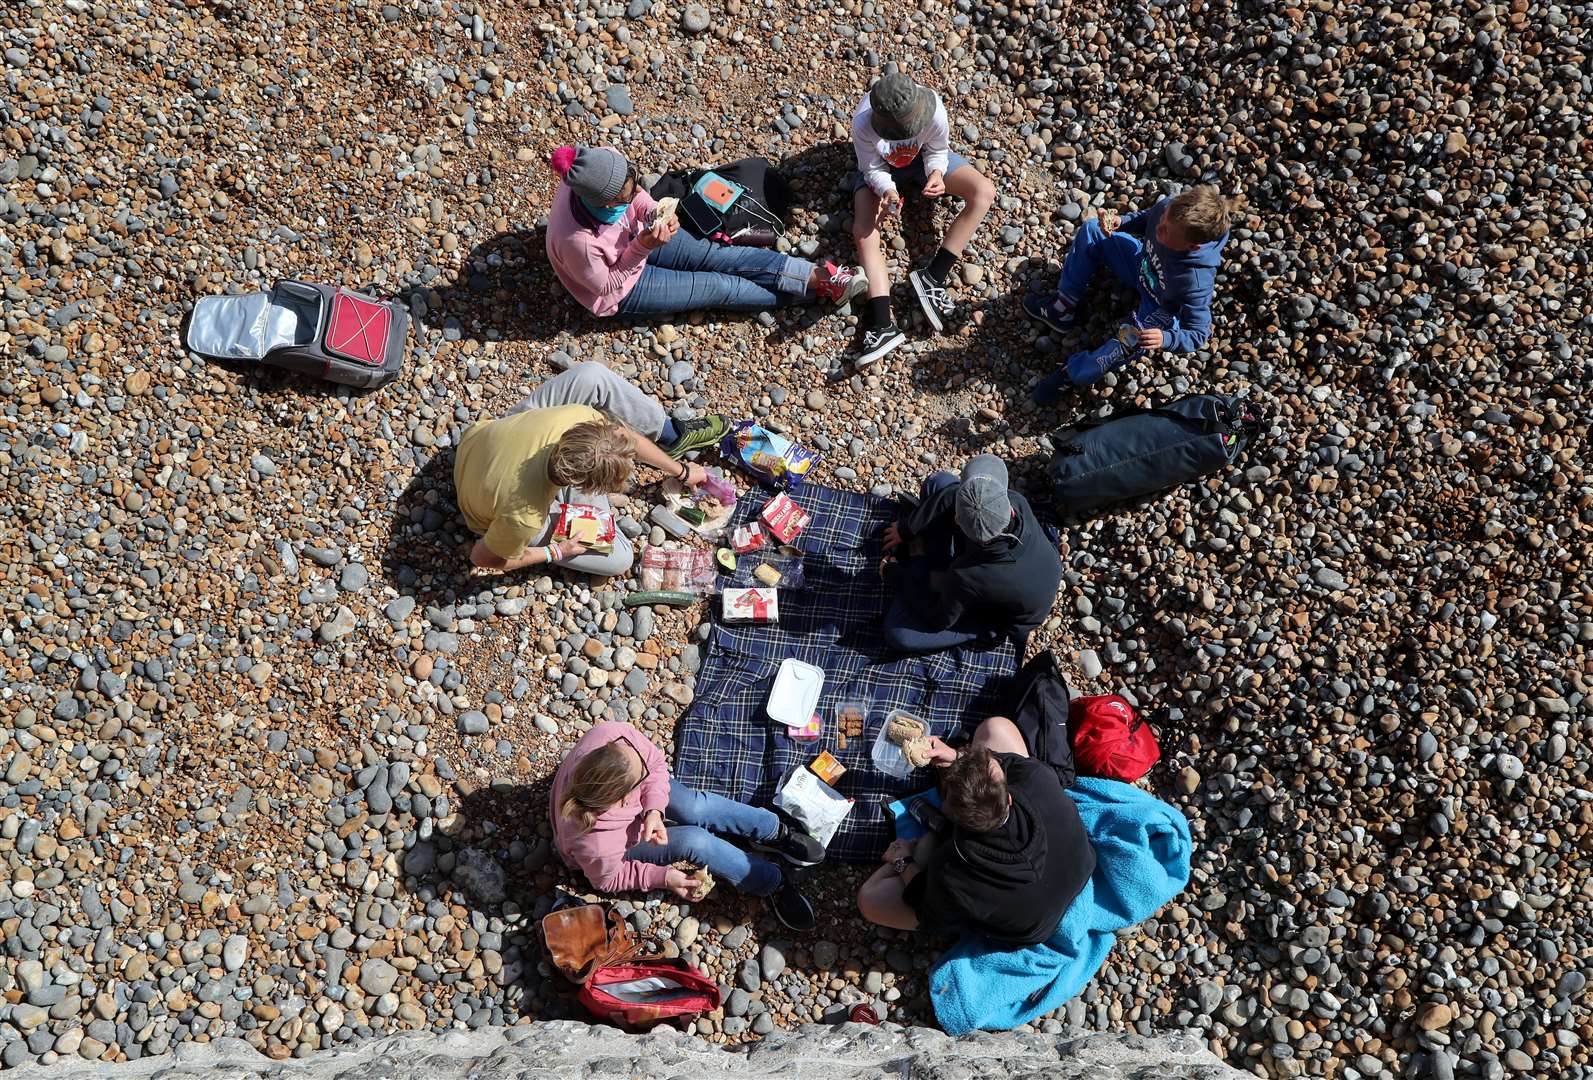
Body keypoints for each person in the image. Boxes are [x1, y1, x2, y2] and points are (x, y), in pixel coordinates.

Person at [452, 361, 724, 576]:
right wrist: (555, 552)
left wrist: (682, 471)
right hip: (480, 507)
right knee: (620, 557)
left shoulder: (576, 419)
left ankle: (670, 435)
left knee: (593, 376)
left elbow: (622, 438)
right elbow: (483, 557)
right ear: (583, 488)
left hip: (484, 439)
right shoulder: (525, 516)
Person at [550, 720, 825, 931]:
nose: (640, 755)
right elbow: (608, 879)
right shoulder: (598, 844)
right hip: (620, 844)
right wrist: (664, 878)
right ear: (625, 798)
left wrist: (654, 810)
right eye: (640, 777)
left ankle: (773, 831)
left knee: (694, 807)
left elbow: (655, 765)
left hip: (621, 803)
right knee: (695, 841)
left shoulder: (611, 736)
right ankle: (770, 883)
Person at [544, 145, 867, 317]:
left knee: (720, 254)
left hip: (636, 237)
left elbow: (637, 195)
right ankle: (811, 293)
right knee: (718, 286)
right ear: (601, 201)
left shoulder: (607, 161)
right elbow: (605, 285)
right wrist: (642, 247)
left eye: (633, 183)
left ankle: (824, 279)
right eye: (623, 198)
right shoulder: (578, 241)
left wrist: (651, 211)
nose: (634, 192)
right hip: (621, 286)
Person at [855, 716, 1095, 945]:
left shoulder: (953, 867)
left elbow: (928, 909)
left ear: (950, 816)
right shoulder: (1037, 778)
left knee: (870, 899)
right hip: (1077, 866)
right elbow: (1002, 763)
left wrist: (902, 861)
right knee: (996, 728)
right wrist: (955, 757)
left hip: (1032, 926)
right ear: (1008, 797)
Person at [1023, 186, 1231, 402]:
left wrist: (1166, 338)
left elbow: (1199, 332)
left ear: (1193, 247)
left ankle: (1073, 374)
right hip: (1141, 266)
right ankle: (1063, 307)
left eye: (1166, 231)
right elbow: (1146, 219)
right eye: (1163, 220)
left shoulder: (1195, 280)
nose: (1159, 227)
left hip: (1161, 306)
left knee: (1131, 340)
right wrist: (1122, 222)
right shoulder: (1168, 208)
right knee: (1093, 229)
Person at [849, 71, 996, 367]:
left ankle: (933, 277)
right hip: (882, 172)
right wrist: (888, 190)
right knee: (863, 231)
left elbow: (937, 149)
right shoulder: (863, 123)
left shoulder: (933, 108)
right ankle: (881, 324)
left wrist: (937, 174)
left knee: (983, 191)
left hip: (922, 163)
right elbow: (872, 168)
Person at [879, 454, 1061, 654]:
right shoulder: (1018, 502)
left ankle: (923, 564)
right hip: (1020, 570)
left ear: (958, 520)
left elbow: (939, 619)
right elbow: (954, 494)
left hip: (1003, 615)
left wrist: (896, 576)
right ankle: (925, 558)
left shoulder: (968, 575)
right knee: (939, 483)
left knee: (899, 634)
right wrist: (907, 528)